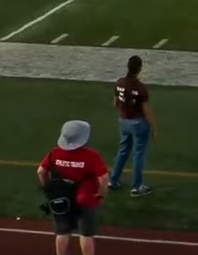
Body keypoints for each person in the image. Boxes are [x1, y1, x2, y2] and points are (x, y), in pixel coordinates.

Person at [38, 120, 109, 255]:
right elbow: (104, 178)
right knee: (86, 234)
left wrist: (48, 188)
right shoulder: (91, 155)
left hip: (62, 198)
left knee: (62, 231)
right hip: (85, 199)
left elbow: (41, 172)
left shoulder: (54, 153)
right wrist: (101, 194)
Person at [108, 55, 156, 197]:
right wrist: (154, 128)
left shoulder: (120, 83)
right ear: (139, 69)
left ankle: (114, 180)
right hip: (138, 123)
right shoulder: (141, 88)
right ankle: (137, 186)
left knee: (123, 151)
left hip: (124, 121)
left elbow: (115, 104)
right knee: (139, 154)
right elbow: (146, 111)